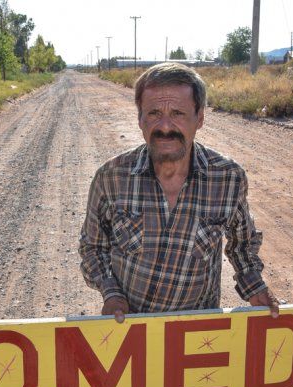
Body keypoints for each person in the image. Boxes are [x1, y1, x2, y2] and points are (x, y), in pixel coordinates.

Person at [79, 62, 279, 322]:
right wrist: (111, 292)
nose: (165, 126)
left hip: (196, 336)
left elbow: (242, 244)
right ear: (140, 119)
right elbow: (93, 247)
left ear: (200, 118)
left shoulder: (227, 178)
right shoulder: (111, 177)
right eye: (153, 113)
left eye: (177, 113)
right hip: (130, 330)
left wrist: (255, 287)